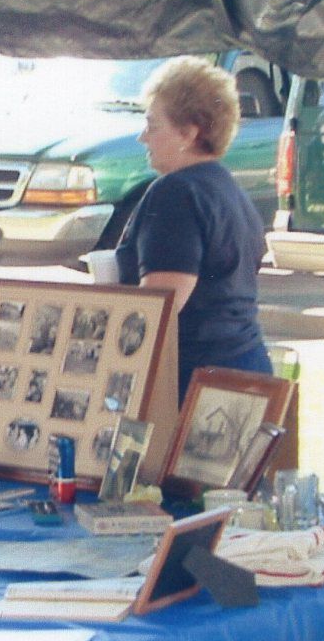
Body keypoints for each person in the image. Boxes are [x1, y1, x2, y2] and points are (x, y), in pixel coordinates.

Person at [114, 56, 271, 400]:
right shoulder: (230, 189)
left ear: (189, 133)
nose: (142, 138)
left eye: (152, 125)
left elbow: (160, 306)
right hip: (248, 367)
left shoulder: (175, 192)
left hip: (194, 380)